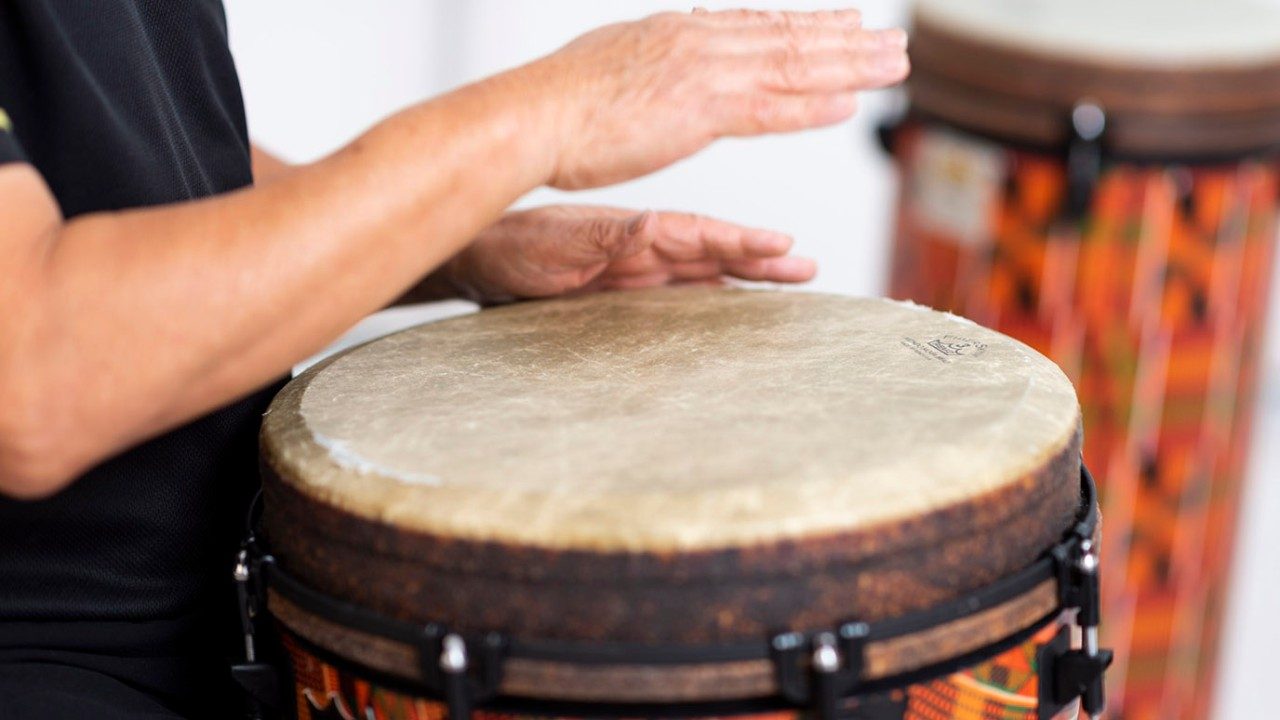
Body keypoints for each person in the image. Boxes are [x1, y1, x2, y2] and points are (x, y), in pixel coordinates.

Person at [0, 3, 908, 718]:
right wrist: (560, 107)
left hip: (255, 593)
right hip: (56, 660)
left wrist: (457, 241)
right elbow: (31, 381)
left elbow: (138, 161)